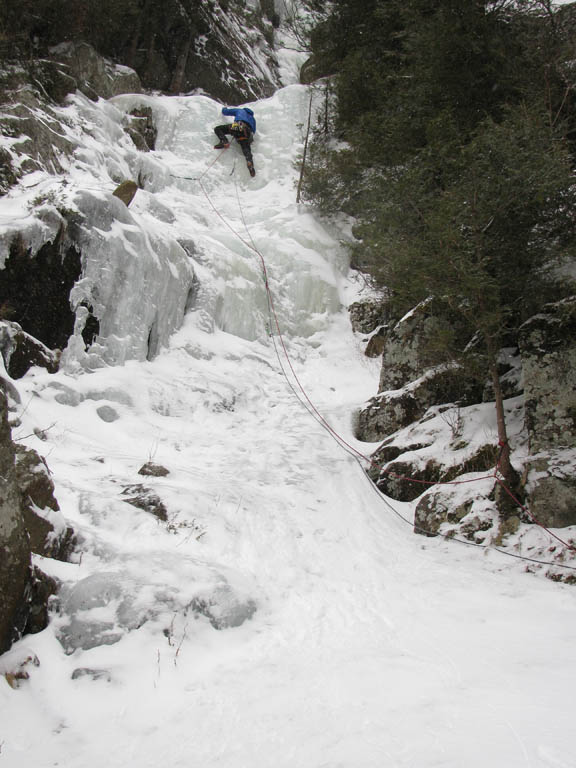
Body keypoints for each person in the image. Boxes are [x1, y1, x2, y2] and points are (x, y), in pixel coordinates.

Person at [214, 106, 257, 177]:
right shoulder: (253, 119)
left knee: (218, 129)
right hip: (248, 133)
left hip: (238, 125)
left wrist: (224, 108)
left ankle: (224, 141)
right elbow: (253, 131)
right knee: (246, 150)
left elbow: (226, 112)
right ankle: (249, 162)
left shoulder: (241, 111)